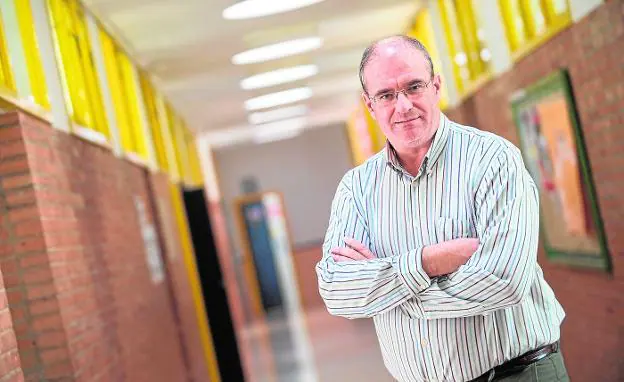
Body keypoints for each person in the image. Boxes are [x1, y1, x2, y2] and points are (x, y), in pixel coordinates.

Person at [315, 35, 568, 382]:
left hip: (519, 374)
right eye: (386, 95)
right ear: (370, 105)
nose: (402, 106)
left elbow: (505, 281)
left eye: (413, 87)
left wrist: (393, 294)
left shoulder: (492, 160)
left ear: (436, 86)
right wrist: (428, 262)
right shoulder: (357, 190)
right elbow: (335, 290)